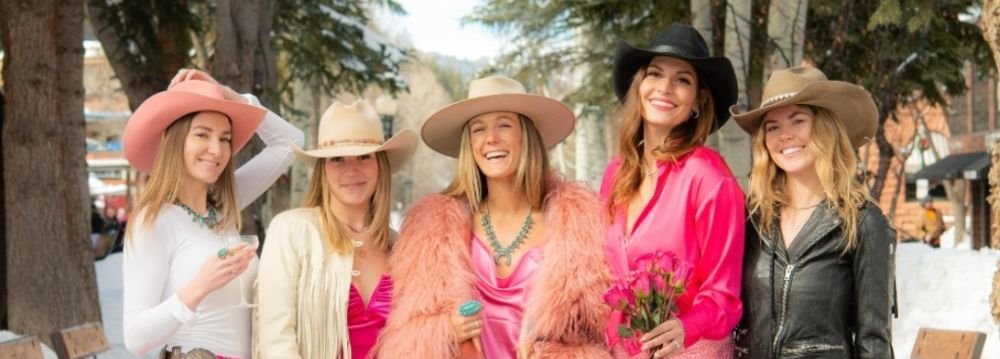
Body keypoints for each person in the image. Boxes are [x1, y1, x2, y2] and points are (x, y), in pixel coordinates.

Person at [374, 75, 612, 358]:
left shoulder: (579, 225)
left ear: (526, 135)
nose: (491, 139)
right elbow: (405, 336)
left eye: (504, 125)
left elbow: (604, 334)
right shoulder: (432, 230)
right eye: (478, 129)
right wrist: (444, 329)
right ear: (469, 144)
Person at [121, 69, 304, 358]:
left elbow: (291, 143)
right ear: (175, 140)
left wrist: (229, 96)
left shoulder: (223, 208)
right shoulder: (155, 220)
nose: (216, 150)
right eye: (202, 135)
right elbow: (134, 336)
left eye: (225, 138)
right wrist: (199, 286)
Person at [601, 23, 745, 358]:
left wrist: (686, 327)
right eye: (655, 74)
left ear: (697, 101)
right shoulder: (615, 173)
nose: (664, 88)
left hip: (689, 352)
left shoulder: (709, 176)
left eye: (682, 79)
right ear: (640, 86)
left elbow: (725, 296)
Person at [732, 66, 895, 358]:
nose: (785, 135)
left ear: (825, 128)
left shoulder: (862, 221)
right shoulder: (752, 219)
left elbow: (875, 341)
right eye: (773, 127)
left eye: (798, 121)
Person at [255, 100, 417, 358]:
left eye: (364, 157)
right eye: (337, 159)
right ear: (323, 168)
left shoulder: (400, 248)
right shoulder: (292, 232)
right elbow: (276, 340)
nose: (351, 170)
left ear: (380, 164)